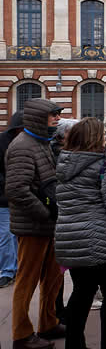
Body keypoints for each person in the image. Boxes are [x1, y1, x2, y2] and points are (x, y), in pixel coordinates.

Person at [54, 117, 106, 349]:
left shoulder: (63, 165)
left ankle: (74, 344)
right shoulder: (104, 165)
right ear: (95, 139)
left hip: (70, 240)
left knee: (81, 294)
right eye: (103, 135)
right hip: (102, 241)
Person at [6, 98, 67, 349]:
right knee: (27, 280)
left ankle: (48, 323)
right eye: (53, 116)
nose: (57, 119)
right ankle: (21, 334)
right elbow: (17, 190)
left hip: (47, 224)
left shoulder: (41, 143)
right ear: (37, 119)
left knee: (53, 278)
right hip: (33, 226)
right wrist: (45, 213)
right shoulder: (23, 146)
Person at [0, 110, 26, 290]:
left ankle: (15, 268)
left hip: (20, 196)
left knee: (16, 235)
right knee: (6, 235)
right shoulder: (3, 142)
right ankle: (7, 271)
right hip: (4, 197)